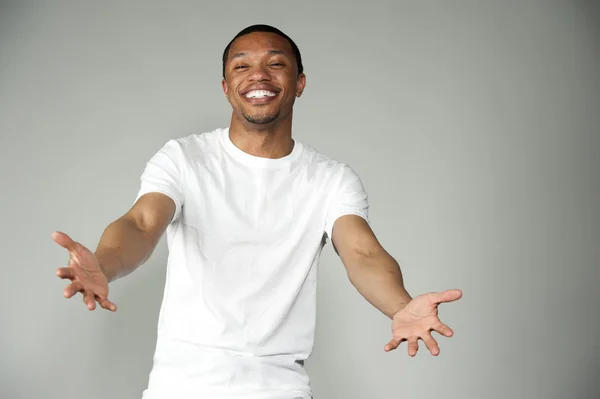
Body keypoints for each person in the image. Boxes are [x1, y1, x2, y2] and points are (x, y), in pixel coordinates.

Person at [53, 24, 462, 399]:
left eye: (276, 64)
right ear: (227, 87)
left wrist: (399, 305)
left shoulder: (331, 179)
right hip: (180, 385)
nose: (259, 75)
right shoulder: (184, 158)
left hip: (279, 387)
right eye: (242, 65)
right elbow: (141, 223)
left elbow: (362, 253)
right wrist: (103, 266)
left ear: (299, 83)